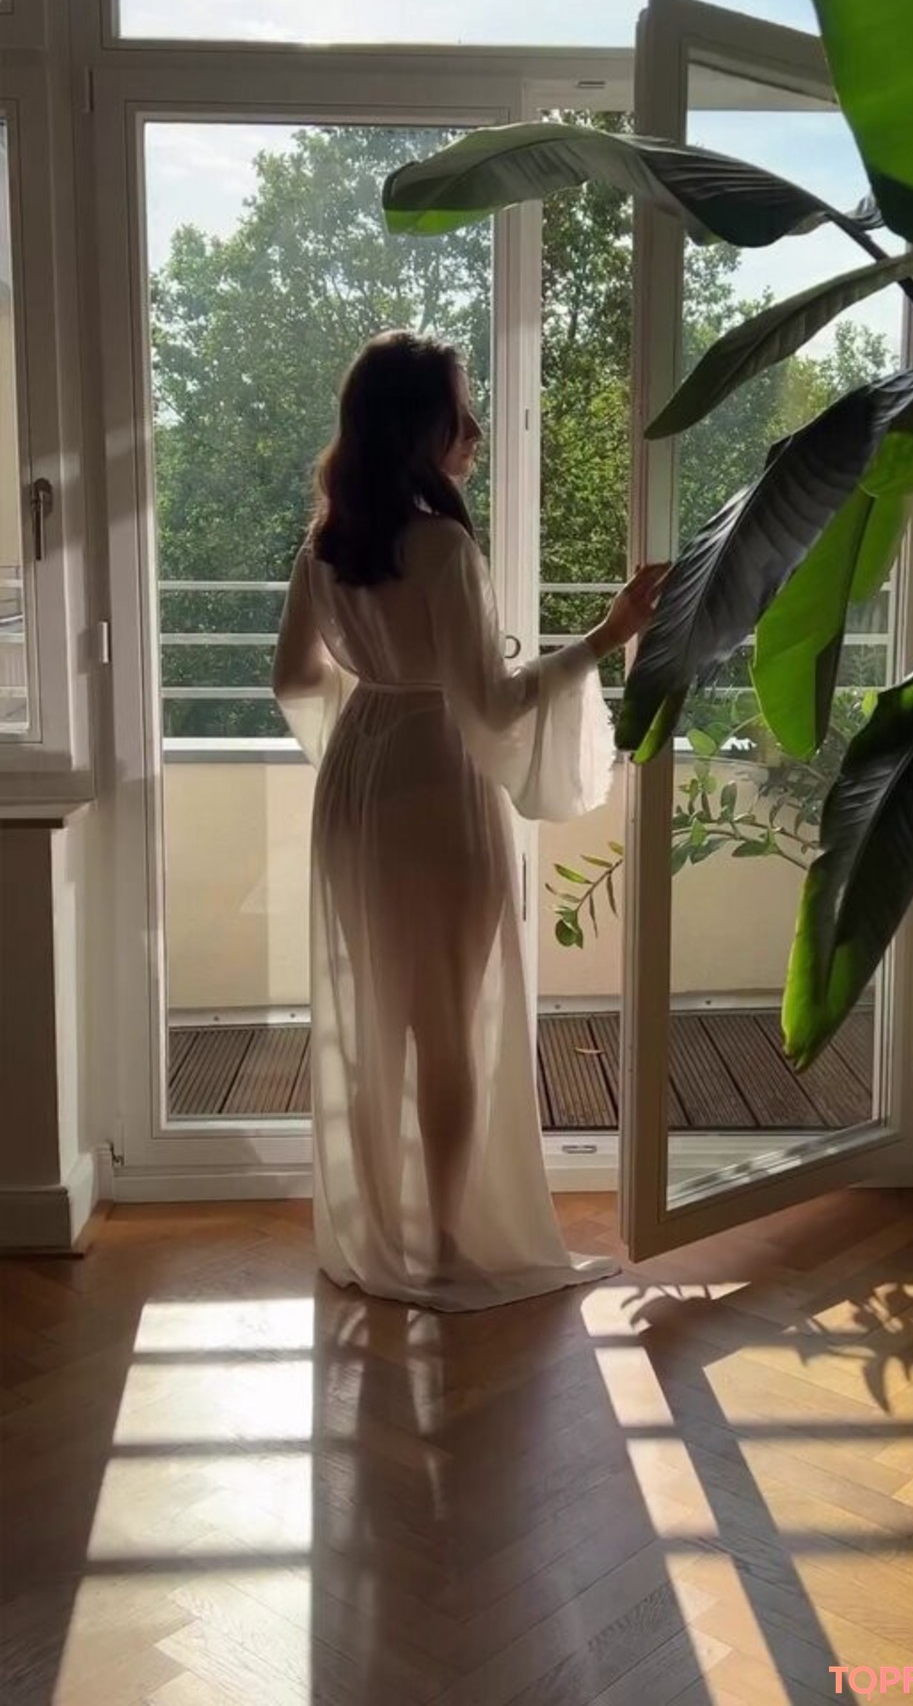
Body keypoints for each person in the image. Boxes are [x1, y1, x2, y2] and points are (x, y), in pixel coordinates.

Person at [272, 329, 667, 1311]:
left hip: (355, 787)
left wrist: (362, 732)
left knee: (379, 1016)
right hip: (434, 789)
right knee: (447, 1026)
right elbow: (489, 706)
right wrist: (609, 633)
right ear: (419, 428)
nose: (477, 430)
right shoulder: (442, 546)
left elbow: (293, 681)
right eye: (460, 411)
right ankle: (444, 1248)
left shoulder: (325, 544)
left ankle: (383, 1233)